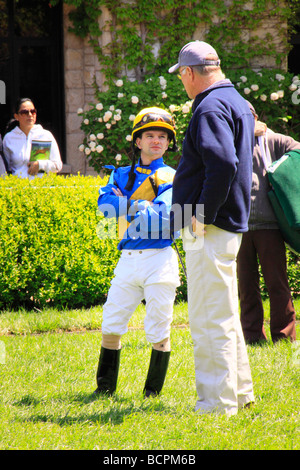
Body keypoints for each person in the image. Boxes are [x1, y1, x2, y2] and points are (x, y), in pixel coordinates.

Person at [168, 40, 255, 416]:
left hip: (210, 224)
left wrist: (200, 215)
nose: (182, 84)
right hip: (227, 222)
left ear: (189, 73)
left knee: (207, 316)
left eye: (181, 77)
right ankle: (240, 393)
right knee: (224, 311)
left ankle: (217, 404)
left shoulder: (208, 106)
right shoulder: (234, 99)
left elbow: (222, 165)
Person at [94, 107, 180, 397]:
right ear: (138, 141)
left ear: (169, 143)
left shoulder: (174, 177)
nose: (156, 140)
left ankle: (151, 395)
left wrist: (127, 204)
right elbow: (104, 207)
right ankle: (104, 391)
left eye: (162, 136)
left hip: (160, 258)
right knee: (111, 325)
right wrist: (142, 205)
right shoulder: (119, 173)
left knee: (159, 330)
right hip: (128, 260)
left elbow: (164, 218)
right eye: (149, 135)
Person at [237, 103, 300, 344]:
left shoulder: (272, 140)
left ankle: (284, 336)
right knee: (246, 286)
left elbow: (297, 154)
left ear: (254, 117)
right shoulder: (231, 143)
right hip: (240, 226)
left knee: (277, 283)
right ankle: (252, 338)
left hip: (270, 226)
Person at [3, 98, 62, 179]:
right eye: (25, 112)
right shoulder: (9, 138)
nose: (30, 115)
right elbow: (5, 169)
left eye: (33, 111)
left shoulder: (46, 135)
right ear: (16, 116)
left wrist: (40, 165)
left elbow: (57, 165)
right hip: (18, 187)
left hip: (41, 187)